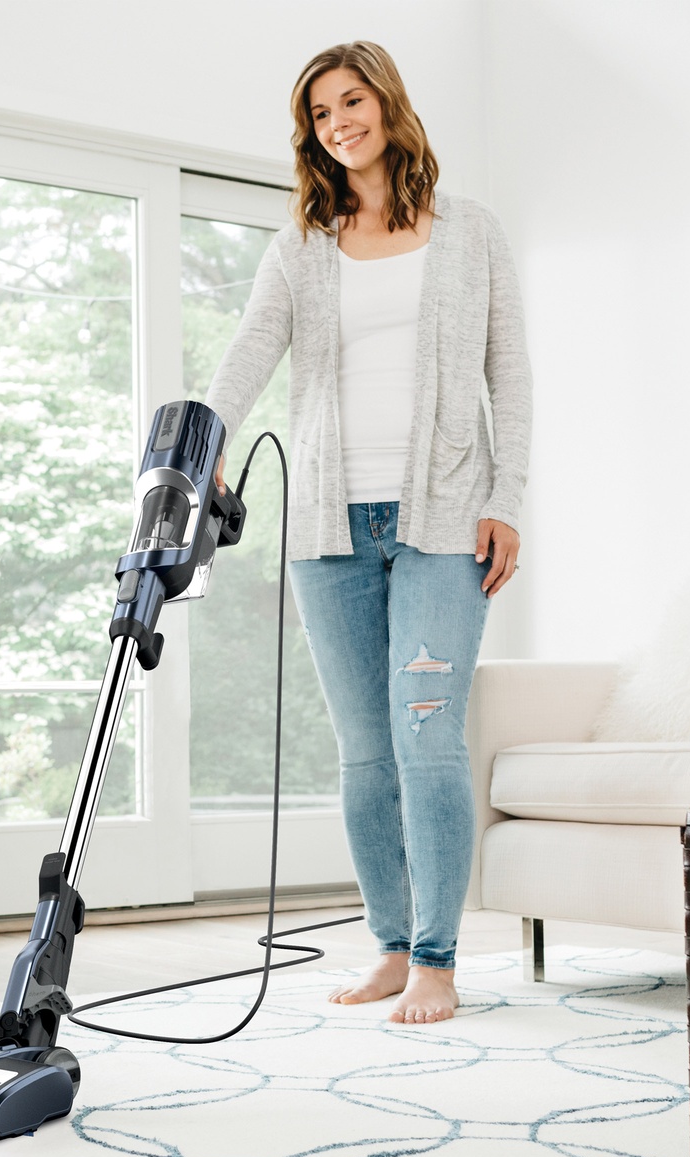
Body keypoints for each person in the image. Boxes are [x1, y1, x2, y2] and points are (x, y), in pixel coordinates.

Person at [205, 41, 531, 1025]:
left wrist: (507, 495)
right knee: (363, 754)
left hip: (443, 522)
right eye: (319, 112)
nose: (338, 122)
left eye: (353, 101)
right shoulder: (300, 246)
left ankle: (438, 959)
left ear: (387, 107)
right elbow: (249, 350)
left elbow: (508, 375)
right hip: (328, 529)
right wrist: (200, 441)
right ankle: (390, 948)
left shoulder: (470, 234)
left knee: (426, 741)